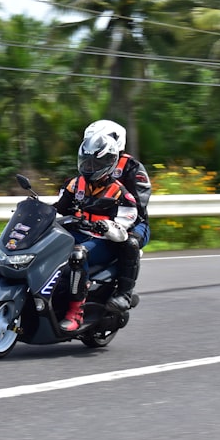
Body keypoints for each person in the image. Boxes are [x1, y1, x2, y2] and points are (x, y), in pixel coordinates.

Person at [54, 133, 139, 331]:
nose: (89, 167)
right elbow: (59, 208)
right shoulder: (74, 184)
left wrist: (107, 226)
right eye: (86, 162)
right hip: (77, 233)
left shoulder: (121, 194)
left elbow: (124, 230)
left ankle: (76, 312)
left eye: (95, 163)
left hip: (103, 241)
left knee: (77, 254)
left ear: (110, 162)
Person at [83, 119, 151, 311]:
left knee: (129, 243)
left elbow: (139, 204)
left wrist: (114, 215)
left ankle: (124, 294)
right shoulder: (92, 160)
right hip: (96, 221)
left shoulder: (132, 167)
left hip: (132, 221)